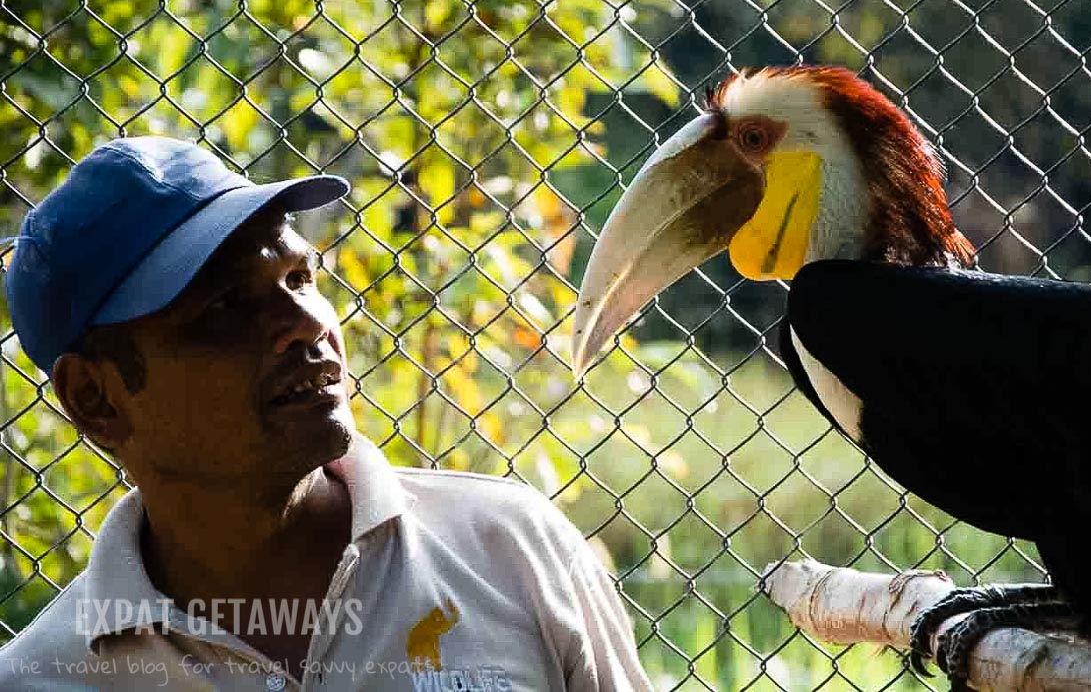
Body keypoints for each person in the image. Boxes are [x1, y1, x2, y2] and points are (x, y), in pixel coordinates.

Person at [0, 136, 653, 691]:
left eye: (298, 278)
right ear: (95, 396)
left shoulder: (512, 552)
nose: (306, 324)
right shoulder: (41, 677)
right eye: (225, 306)